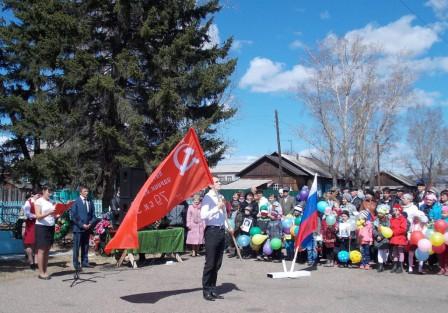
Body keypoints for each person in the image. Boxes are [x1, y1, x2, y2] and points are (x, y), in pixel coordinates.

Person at [200, 177, 232, 301]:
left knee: (218, 263)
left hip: (220, 230)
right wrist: (216, 207)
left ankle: (213, 289)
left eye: (219, 181)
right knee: (210, 263)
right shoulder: (207, 197)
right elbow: (203, 215)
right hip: (211, 231)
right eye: (217, 181)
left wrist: (228, 225)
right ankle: (206, 290)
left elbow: (223, 214)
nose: (219, 183)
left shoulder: (221, 196)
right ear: (210, 185)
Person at [70, 186, 96, 270]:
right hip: (78, 229)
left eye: (87, 191)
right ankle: (76, 264)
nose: (87, 193)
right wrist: (82, 225)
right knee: (77, 247)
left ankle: (85, 262)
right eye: (85, 191)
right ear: (80, 192)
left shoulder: (90, 201)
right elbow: (74, 216)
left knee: (85, 246)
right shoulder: (75, 202)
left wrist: (90, 223)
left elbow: (93, 215)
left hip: (87, 228)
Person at [34, 186, 56, 280]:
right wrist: (49, 212)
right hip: (41, 227)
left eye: (51, 191)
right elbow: (38, 216)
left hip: (50, 226)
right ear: (43, 191)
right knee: (41, 250)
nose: (50, 193)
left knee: (47, 249)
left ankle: (45, 270)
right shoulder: (38, 201)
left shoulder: (51, 201)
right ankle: (41, 272)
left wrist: (57, 213)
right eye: (49, 191)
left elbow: (53, 215)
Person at [23, 190, 40, 270]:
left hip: (39, 224)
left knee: (37, 244)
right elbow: (27, 213)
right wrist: (36, 216)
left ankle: (36, 262)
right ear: (32, 195)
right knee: (29, 243)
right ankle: (31, 262)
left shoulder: (40, 202)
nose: (39, 196)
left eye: (40, 195)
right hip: (30, 224)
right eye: (37, 195)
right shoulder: (28, 202)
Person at [389, 205, 408, 273]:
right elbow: (390, 227)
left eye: (396, 210)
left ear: (399, 211)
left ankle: (400, 266)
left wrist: (394, 232)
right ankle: (395, 265)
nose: (394, 211)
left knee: (400, 252)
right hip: (394, 237)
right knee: (395, 252)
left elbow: (403, 229)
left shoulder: (403, 219)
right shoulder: (392, 219)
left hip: (400, 237)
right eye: (394, 210)